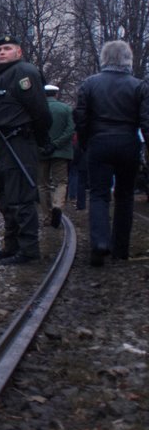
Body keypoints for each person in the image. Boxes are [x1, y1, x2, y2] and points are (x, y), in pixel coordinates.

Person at [73, 40, 149, 267]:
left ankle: (100, 243)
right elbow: (146, 121)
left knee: (98, 195)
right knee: (125, 196)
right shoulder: (140, 86)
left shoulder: (89, 84)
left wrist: (86, 144)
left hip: (99, 142)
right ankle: (120, 249)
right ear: (128, 59)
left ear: (104, 58)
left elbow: (81, 118)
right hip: (128, 143)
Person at [0, 35, 52, 265]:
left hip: (19, 141)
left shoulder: (24, 72)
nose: (2, 52)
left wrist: (40, 139)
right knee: (5, 197)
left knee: (21, 198)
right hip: (4, 144)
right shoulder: (1, 77)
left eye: (7, 48)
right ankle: (11, 246)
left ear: (19, 52)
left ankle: (28, 250)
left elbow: (40, 110)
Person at [37, 84, 74, 229]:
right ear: (56, 94)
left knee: (42, 185)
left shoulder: (37, 110)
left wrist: (44, 145)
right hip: (61, 151)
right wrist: (56, 144)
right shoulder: (66, 109)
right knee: (61, 182)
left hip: (41, 152)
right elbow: (70, 130)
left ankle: (47, 217)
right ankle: (57, 204)